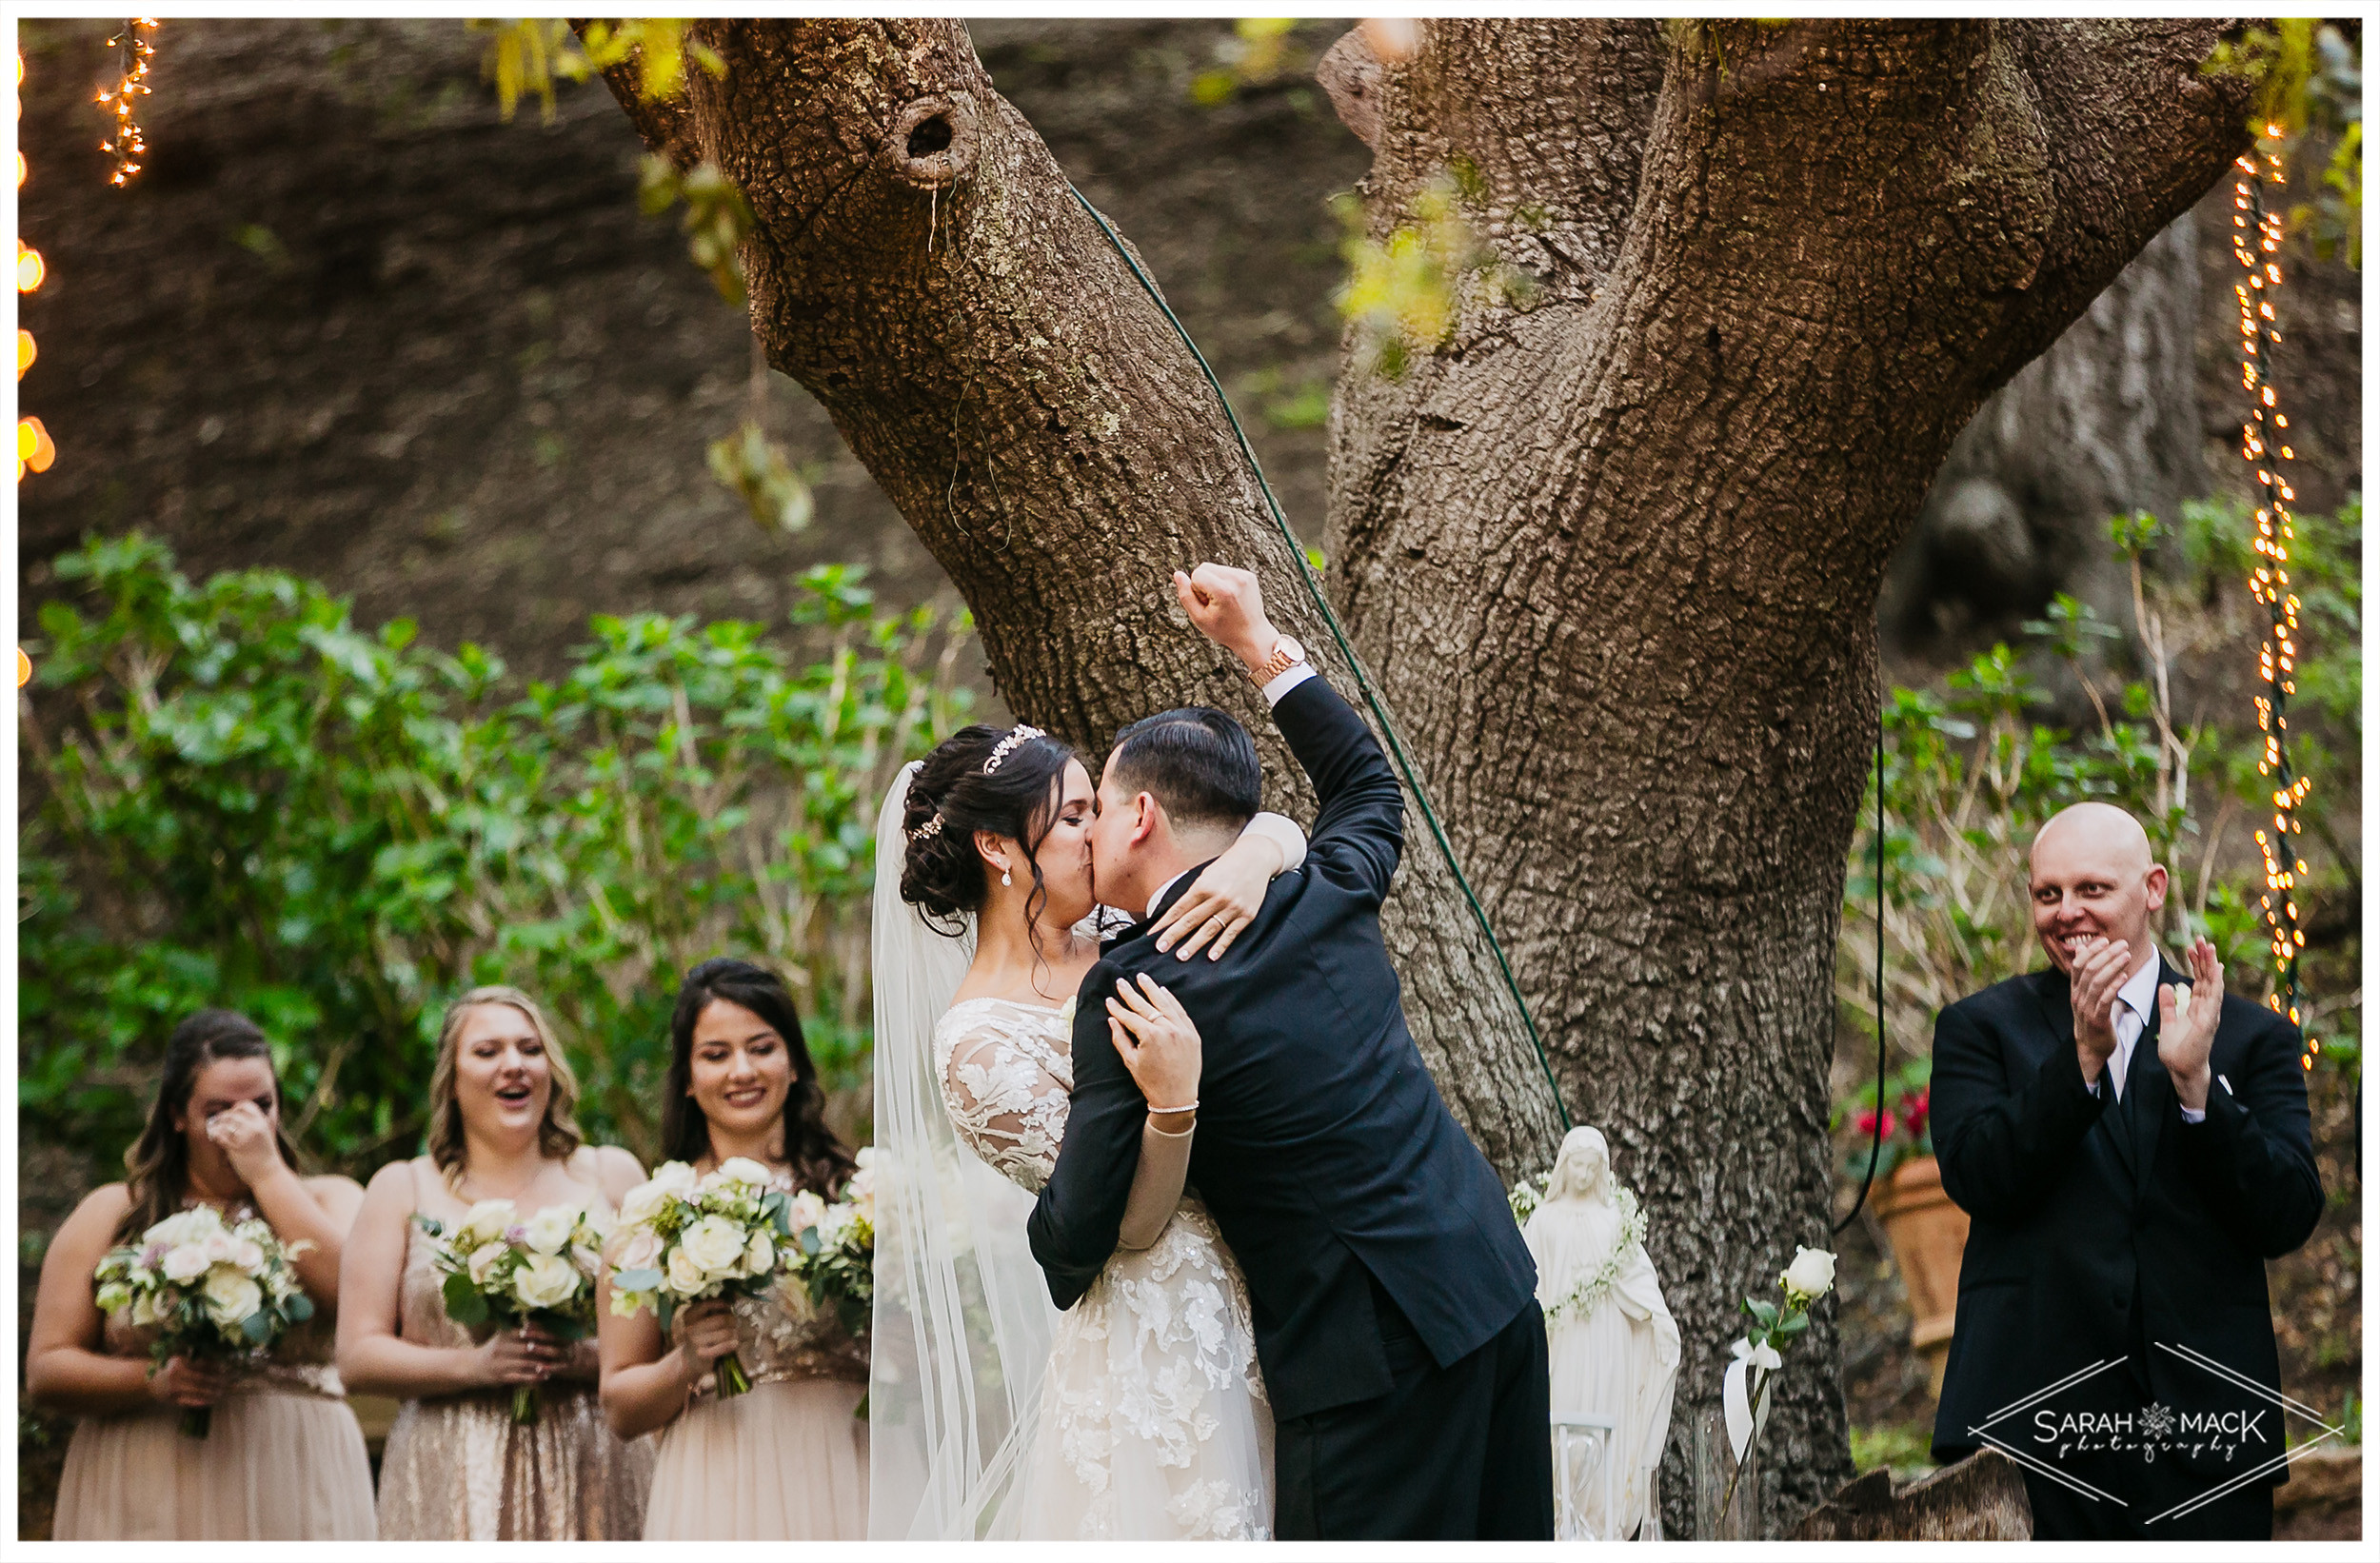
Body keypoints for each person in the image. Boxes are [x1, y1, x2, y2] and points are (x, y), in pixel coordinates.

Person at [1029, 563, 1554, 1540]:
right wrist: (1255, 639)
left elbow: (1073, 1240)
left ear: (1139, 815)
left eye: (1096, 806)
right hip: (1492, 1283)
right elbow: (1367, 787)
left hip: (1368, 1368)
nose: (1090, 828)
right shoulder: (1321, 888)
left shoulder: (1135, 987)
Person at [867, 714, 1307, 1538]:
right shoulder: (979, 1049)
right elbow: (1124, 1223)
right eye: (1071, 816)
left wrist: (1257, 851)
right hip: (1164, 1335)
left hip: (1277, 1288)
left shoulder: (1129, 927)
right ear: (998, 848)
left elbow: (1275, 836)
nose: (1096, 831)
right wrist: (1173, 1105)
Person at [1928, 801, 2323, 1539]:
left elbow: (2289, 1212)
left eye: (2092, 890)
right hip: (2031, 1436)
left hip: (2207, 1436)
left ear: (2153, 889)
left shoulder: (2250, 1037)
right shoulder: (1980, 1027)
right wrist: (2080, 1058)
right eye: (2048, 894)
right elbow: (1977, 1176)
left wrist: (2200, 1088)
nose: (2066, 913)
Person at [27, 1009, 374, 1539]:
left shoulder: (333, 1199)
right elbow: (47, 1372)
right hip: (151, 1477)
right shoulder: (112, 1214)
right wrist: (154, 1379)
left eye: (262, 1105)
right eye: (219, 1110)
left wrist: (266, 1174)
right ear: (177, 1115)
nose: (246, 1124)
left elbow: (358, 1303)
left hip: (298, 1474)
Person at [337, 985, 655, 1539]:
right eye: (487, 1052)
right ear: (452, 1081)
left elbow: (665, 1332)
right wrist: (475, 1366)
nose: (514, 1065)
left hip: (597, 1457)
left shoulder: (612, 1175)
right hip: (452, 1465)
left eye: (530, 1050)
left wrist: (582, 1359)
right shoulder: (402, 1188)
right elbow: (357, 1356)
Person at [598, 959, 871, 1540]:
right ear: (689, 1079)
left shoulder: (861, 1199)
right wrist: (686, 1363)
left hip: (853, 1468)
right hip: (721, 1484)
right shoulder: (655, 1214)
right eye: (716, 1054)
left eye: (762, 1047)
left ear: (793, 1062)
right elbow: (619, 1406)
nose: (742, 1071)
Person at [1524, 1125, 1676, 1540]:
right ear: (1563, 1166)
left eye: (1593, 1167)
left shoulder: (1613, 1220)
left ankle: (1599, 1522)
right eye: (1577, 1164)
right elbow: (1527, 1281)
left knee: (1603, 1417)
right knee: (1562, 1411)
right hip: (1563, 1338)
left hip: (1606, 1339)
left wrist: (1656, 1316)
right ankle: (1560, 1517)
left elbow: (1634, 1274)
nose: (1585, 1175)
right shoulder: (1544, 1220)